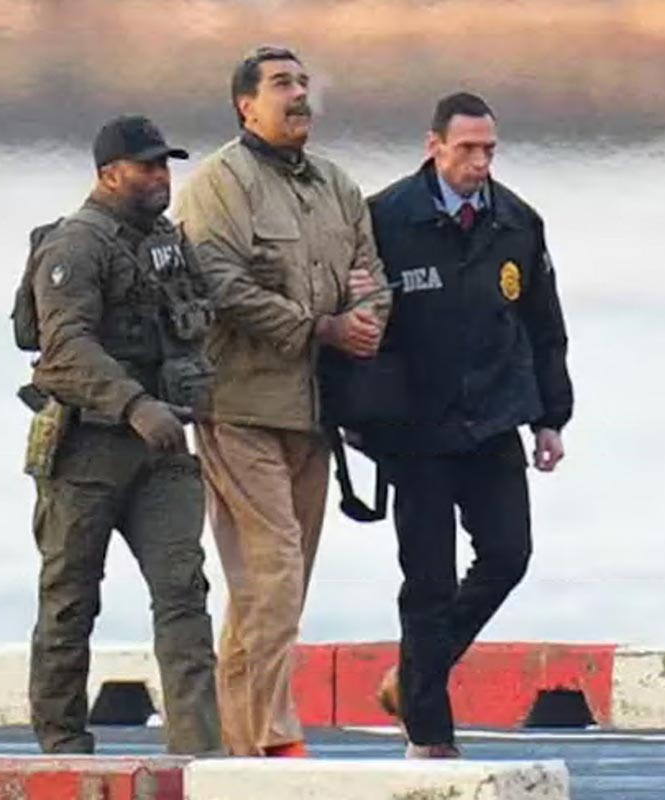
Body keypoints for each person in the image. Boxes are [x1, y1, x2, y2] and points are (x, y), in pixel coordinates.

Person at [172, 46, 390, 757]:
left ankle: (241, 741)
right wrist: (319, 326)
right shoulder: (219, 184)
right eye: (281, 85)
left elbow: (372, 277)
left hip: (314, 413)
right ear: (246, 105)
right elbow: (220, 283)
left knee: (278, 585)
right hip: (240, 407)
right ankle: (270, 739)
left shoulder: (336, 185)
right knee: (273, 574)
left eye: (302, 82)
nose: (298, 95)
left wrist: (364, 322)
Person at [364, 92, 574, 758]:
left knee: (508, 555)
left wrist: (550, 419)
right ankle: (431, 738)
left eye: (489, 150)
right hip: (417, 430)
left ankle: (413, 678)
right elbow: (359, 328)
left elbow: (544, 328)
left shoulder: (517, 222)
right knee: (428, 583)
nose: (479, 163)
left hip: (493, 419)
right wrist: (360, 421)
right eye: (466, 149)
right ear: (434, 146)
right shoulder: (385, 219)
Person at [19, 115, 221, 755]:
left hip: (164, 452)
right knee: (70, 599)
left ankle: (197, 752)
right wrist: (135, 405)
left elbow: (199, 319)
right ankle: (62, 746)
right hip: (89, 448)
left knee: (184, 593)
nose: (161, 176)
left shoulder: (166, 241)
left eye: (165, 165)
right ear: (109, 174)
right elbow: (65, 346)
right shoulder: (76, 246)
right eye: (147, 166)